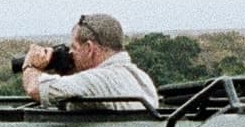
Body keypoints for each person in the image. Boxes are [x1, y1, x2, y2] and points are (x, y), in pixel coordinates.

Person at [21, 17, 159, 110]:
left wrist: (30, 65)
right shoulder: (141, 78)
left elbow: (35, 89)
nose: (71, 53)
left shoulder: (98, 79)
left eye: (74, 47)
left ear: (89, 48)